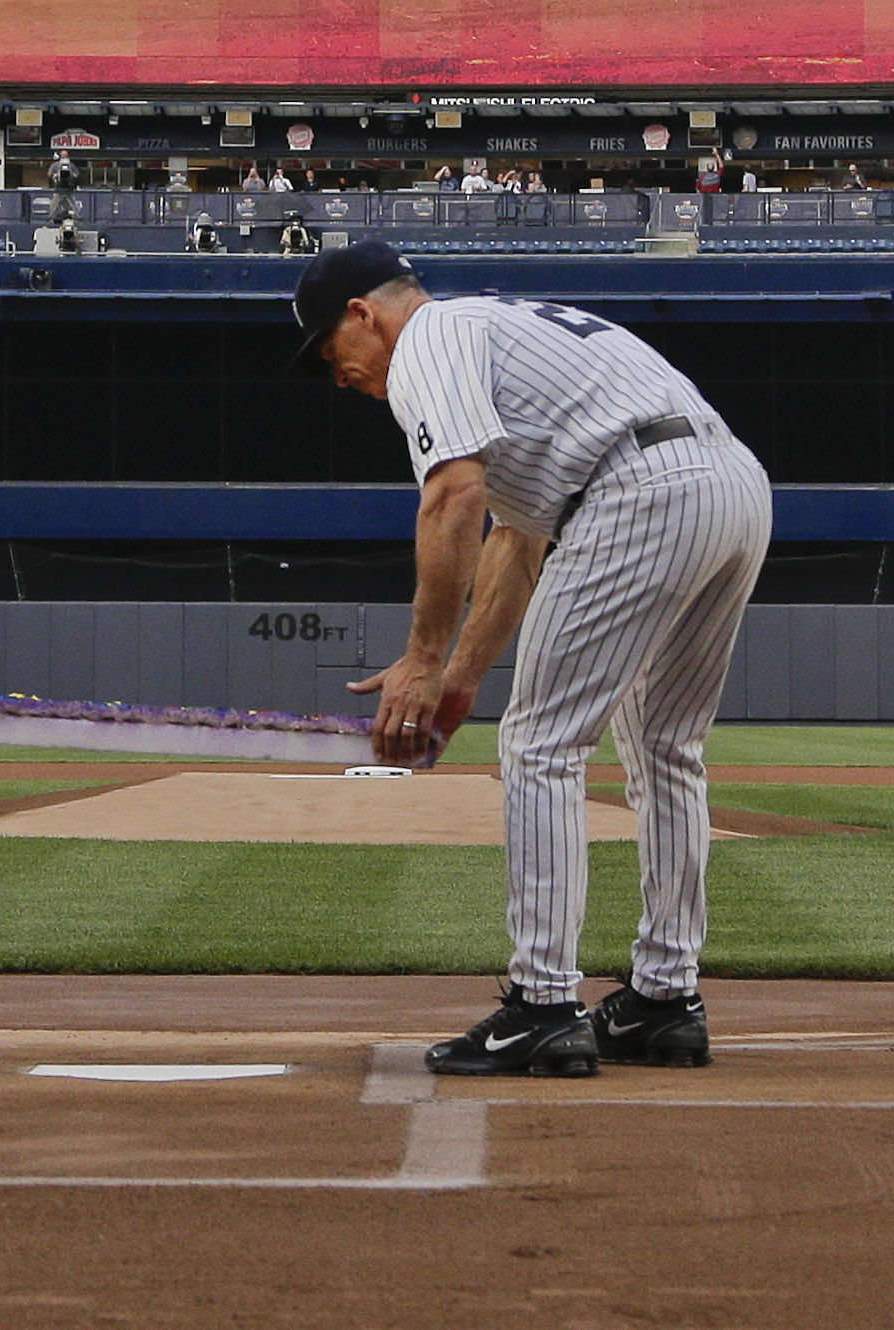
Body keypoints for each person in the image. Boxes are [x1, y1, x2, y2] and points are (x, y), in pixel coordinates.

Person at [293, 239, 768, 1080]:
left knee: (540, 748)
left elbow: (455, 494)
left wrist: (419, 656)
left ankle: (541, 1003)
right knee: (665, 750)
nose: (338, 377)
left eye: (332, 352)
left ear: (363, 315)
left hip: (636, 493)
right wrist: (459, 678)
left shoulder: (428, 341)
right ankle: (665, 997)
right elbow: (517, 540)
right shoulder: (495, 330)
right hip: (727, 484)